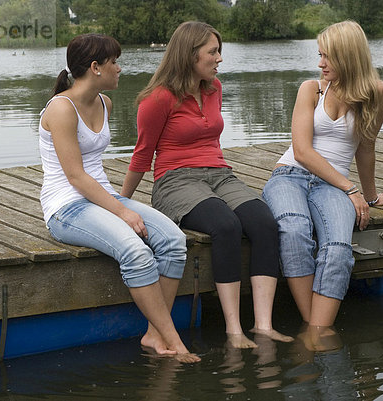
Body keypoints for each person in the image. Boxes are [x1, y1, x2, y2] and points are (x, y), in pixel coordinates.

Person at [121, 21, 292, 348]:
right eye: (213, 52)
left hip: (219, 174)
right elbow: (142, 157)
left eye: (219, 51)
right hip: (175, 180)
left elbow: (209, 138)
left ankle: (264, 325)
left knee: (264, 222)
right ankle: (234, 330)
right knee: (225, 225)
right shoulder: (157, 99)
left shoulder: (214, 88)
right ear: (189, 55)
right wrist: (121, 205)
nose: (219, 59)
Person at [39, 33, 200, 363]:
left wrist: (118, 205)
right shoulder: (60, 109)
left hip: (101, 197)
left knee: (173, 240)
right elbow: (75, 176)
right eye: (114, 62)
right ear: (96, 67)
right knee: (135, 251)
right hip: (65, 207)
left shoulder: (104, 103)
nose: (120, 68)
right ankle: (174, 340)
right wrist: (122, 212)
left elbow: (93, 175)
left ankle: (155, 335)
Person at [262, 20, 383, 347]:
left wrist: (372, 196)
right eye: (319, 55)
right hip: (290, 175)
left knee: (337, 248)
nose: (320, 64)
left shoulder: (376, 93)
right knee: (294, 231)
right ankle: (314, 331)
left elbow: (366, 148)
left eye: (327, 57)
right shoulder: (311, 89)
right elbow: (303, 152)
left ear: (349, 57)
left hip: (332, 186)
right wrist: (352, 190)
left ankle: (315, 333)